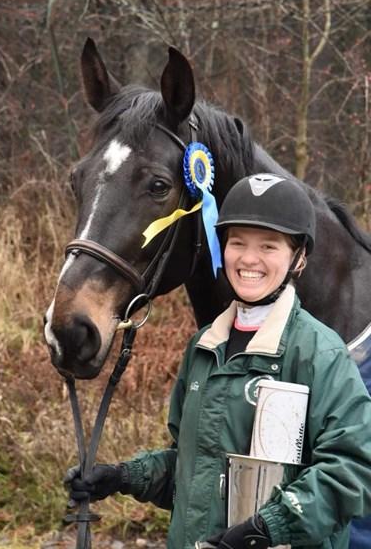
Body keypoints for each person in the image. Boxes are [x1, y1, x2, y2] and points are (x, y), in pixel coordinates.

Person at [65, 173, 371, 549]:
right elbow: (196, 468)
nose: (249, 259)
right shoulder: (204, 347)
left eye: (269, 246)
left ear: (299, 258)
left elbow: (351, 470)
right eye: (237, 243)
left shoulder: (320, 354)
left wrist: (266, 529)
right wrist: (123, 477)